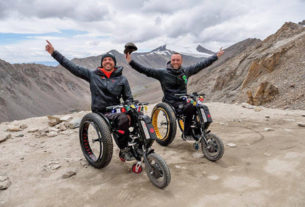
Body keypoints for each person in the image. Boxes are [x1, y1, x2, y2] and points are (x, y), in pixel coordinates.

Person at [45, 40, 134, 160]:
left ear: (114, 63)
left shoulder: (122, 79)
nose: (108, 61)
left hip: (116, 110)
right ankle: (124, 149)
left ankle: (139, 143)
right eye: (105, 60)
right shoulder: (93, 75)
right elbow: (72, 67)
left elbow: (128, 97)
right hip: (101, 112)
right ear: (102, 63)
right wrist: (54, 53)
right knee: (122, 119)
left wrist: (129, 106)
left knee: (138, 115)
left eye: (110, 60)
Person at [126, 48, 224, 139]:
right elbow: (145, 70)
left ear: (181, 61)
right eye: (174, 60)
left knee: (201, 107)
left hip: (183, 100)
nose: (175, 62)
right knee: (190, 107)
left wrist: (216, 56)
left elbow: (202, 64)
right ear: (171, 61)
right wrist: (131, 62)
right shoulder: (162, 73)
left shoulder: (186, 71)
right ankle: (187, 133)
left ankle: (199, 130)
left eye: (178, 60)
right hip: (171, 102)